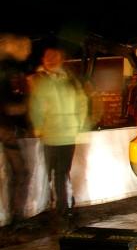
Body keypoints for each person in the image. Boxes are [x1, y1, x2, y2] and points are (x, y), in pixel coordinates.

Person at [28, 46, 89, 222]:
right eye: (48, 57)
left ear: (61, 59)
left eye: (55, 57)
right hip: (52, 134)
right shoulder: (42, 80)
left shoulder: (69, 80)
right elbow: (36, 106)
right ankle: (58, 206)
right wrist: (39, 126)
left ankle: (62, 208)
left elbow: (82, 102)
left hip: (65, 134)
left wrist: (79, 124)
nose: (51, 60)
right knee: (54, 173)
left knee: (60, 173)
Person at [0, 34, 32, 226]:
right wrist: (22, 107)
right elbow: (10, 104)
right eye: (24, 46)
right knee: (21, 172)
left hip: (8, 127)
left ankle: (16, 215)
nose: (27, 51)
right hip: (6, 128)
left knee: (18, 173)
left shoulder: (10, 68)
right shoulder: (7, 68)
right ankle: (16, 217)